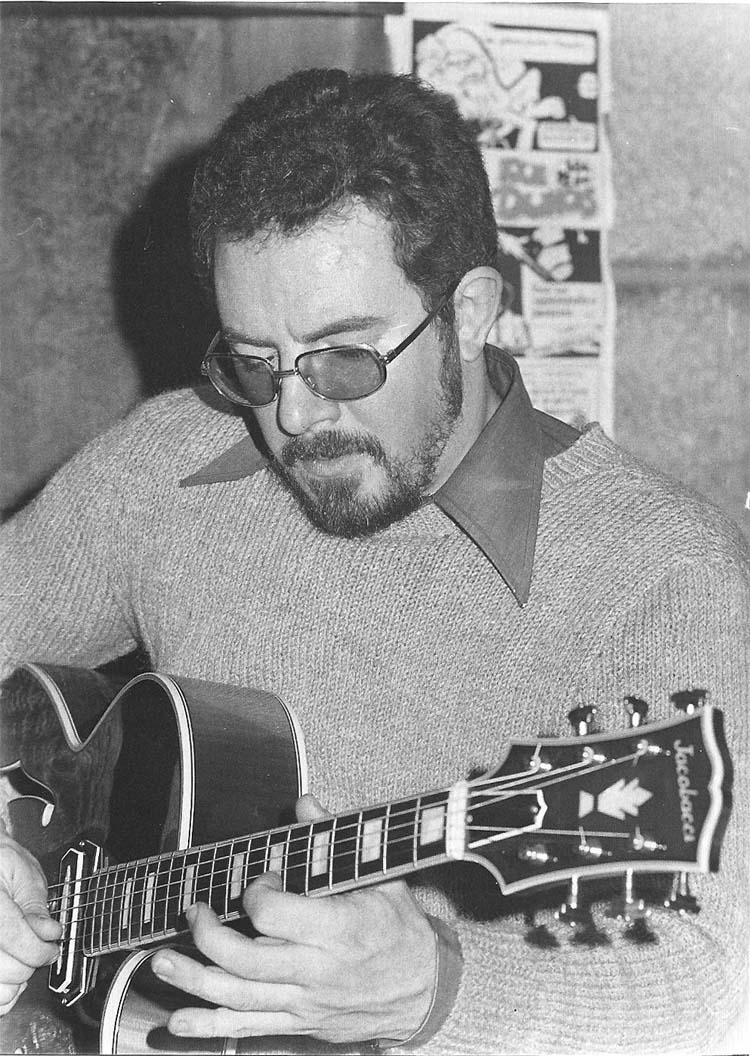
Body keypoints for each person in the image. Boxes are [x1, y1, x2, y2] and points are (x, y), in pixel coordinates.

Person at [1, 68, 748, 1055]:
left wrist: (435, 993)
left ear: (469, 313)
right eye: (254, 363)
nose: (294, 414)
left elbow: (717, 988)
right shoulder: (160, 466)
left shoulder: (661, 573)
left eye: (343, 360)